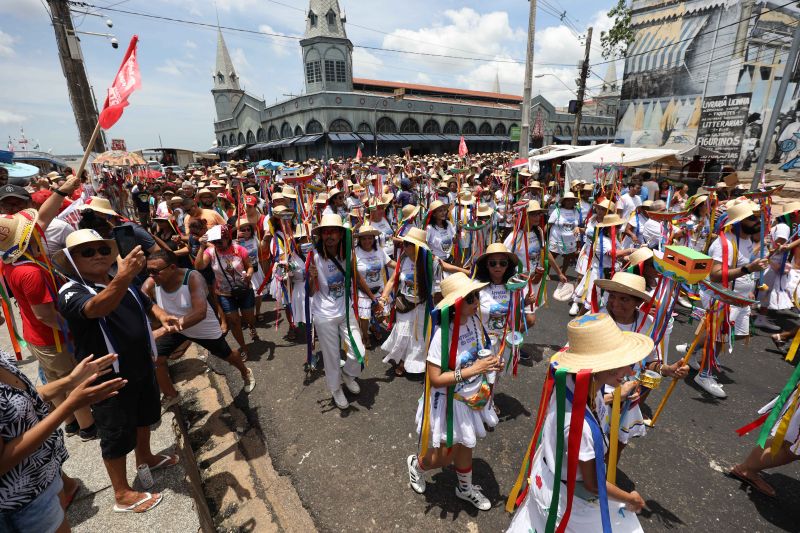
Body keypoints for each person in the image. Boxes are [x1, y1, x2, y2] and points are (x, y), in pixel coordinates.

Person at [55, 230, 182, 513]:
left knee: (144, 416)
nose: (98, 255)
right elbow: (97, 308)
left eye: (102, 249)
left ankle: (146, 456)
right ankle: (122, 493)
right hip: (108, 376)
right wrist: (125, 276)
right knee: (115, 433)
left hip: (140, 363)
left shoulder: (115, 279)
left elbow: (143, 300)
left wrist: (162, 315)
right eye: (87, 252)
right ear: (72, 260)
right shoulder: (72, 291)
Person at [507, 313, 649, 532]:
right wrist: (630, 497)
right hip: (565, 496)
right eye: (625, 364)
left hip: (547, 474)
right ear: (605, 366)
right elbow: (592, 485)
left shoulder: (574, 382)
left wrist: (614, 397)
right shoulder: (580, 427)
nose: (631, 371)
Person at [406, 272, 501, 511]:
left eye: (476, 296)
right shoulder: (441, 335)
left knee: (467, 446)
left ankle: (465, 489)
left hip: (470, 398)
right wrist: (473, 370)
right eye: (470, 299)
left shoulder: (475, 322)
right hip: (448, 403)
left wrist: (492, 363)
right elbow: (436, 379)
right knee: (443, 457)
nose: (476, 302)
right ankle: (416, 465)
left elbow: (481, 354)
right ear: (456, 304)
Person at [0, 352, 125, 532]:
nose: (5, 321)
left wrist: (71, 380)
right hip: (21, 502)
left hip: (45, 475)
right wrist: (70, 406)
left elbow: (25, 394)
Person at [141, 249, 255, 407]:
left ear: (172, 268)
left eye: (155, 271)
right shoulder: (154, 281)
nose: (151, 276)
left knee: (228, 355)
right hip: (175, 328)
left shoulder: (192, 278)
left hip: (201, 328)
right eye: (148, 271)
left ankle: (245, 372)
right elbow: (142, 297)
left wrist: (163, 330)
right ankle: (171, 394)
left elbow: (200, 313)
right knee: (156, 359)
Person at [684, 200, 769, 398]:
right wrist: (749, 269)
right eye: (752, 218)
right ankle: (704, 375)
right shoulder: (724, 244)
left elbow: (744, 266)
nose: (757, 221)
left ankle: (693, 348)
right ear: (739, 222)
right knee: (719, 337)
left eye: (757, 217)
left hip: (739, 297)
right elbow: (715, 275)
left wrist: (750, 284)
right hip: (723, 298)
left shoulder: (747, 240)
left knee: (734, 335)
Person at [595, 272, 686, 454]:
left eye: (624, 299)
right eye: (612, 296)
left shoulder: (648, 324)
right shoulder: (598, 319)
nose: (615, 303)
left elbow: (650, 361)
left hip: (629, 391)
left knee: (617, 444)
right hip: (598, 389)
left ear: (638, 302)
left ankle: (604, 476)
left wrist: (667, 369)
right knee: (594, 440)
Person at [307, 214, 365, 410]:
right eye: (325, 231)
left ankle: (348, 374)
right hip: (324, 315)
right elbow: (310, 292)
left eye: (333, 231)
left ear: (341, 234)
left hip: (346, 311)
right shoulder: (314, 257)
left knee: (359, 351)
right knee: (331, 357)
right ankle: (335, 389)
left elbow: (355, 278)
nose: (329, 235)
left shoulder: (348, 254)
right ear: (321, 235)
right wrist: (311, 278)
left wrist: (374, 299)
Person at [194, 224, 258, 360]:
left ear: (227, 238)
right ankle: (244, 348)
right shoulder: (210, 252)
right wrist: (201, 247)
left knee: (248, 318)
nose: (217, 244)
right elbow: (199, 266)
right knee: (234, 321)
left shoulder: (239, 249)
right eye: (214, 242)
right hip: (224, 294)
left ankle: (252, 326)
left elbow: (250, 267)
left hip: (244, 290)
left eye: (220, 241)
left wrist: (249, 275)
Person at [380, 228, 432, 376]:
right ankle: (402, 360)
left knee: (418, 336)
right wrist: (383, 298)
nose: (404, 246)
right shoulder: (403, 259)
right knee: (403, 333)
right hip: (404, 303)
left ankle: (413, 362)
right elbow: (392, 280)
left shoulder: (430, 263)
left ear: (417, 247)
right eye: (405, 243)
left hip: (422, 305)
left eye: (408, 244)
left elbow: (436, 287)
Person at [353, 222, 394, 350]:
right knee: (364, 317)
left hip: (380, 289)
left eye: (370, 237)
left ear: (374, 238)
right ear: (359, 239)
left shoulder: (379, 251)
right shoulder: (355, 252)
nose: (367, 241)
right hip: (363, 291)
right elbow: (356, 276)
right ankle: (365, 336)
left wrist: (403, 266)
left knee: (382, 316)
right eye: (364, 238)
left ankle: (374, 325)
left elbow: (390, 262)